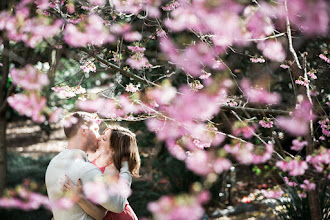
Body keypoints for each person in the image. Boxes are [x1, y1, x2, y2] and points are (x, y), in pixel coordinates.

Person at [45, 112, 132, 220]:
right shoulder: (86, 169)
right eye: (95, 129)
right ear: (84, 130)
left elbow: (99, 215)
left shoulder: (53, 164)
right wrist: (125, 167)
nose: (99, 136)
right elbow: (118, 205)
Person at [63, 125, 140, 220]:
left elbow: (101, 210)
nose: (99, 138)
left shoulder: (111, 173)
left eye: (104, 139)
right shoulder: (96, 156)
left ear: (113, 150)